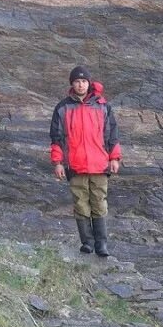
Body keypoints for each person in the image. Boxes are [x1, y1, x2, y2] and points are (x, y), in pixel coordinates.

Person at [49, 66, 121, 257]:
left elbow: (112, 135)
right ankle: (87, 243)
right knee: (81, 204)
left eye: (84, 81)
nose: (81, 85)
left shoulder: (103, 106)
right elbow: (56, 138)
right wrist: (57, 162)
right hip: (75, 165)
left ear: (89, 83)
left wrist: (114, 158)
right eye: (77, 81)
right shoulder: (63, 108)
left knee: (99, 203)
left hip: (99, 164)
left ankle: (102, 244)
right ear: (72, 84)